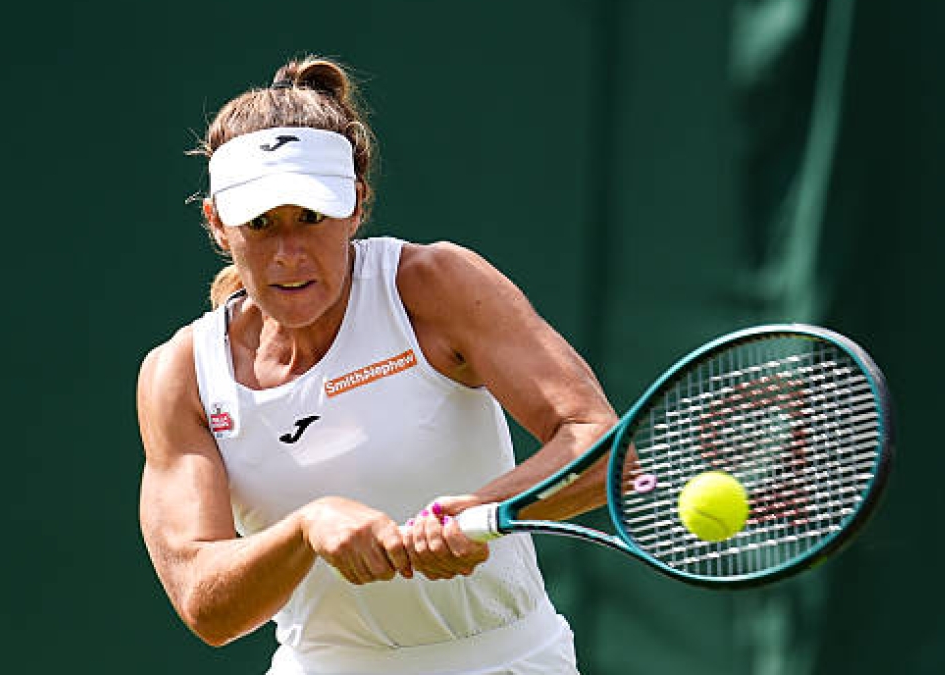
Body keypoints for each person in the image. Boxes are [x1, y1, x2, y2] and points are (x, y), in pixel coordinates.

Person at [136, 55, 617, 675]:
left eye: (311, 217)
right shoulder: (181, 376)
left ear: (356, 205)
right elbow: (205, 603)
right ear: (219, 225)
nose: (289, 253)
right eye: (260, 223)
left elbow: (601, 443)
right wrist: (307, 528)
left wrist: (477, 514)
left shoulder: (433, 285)